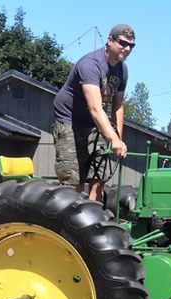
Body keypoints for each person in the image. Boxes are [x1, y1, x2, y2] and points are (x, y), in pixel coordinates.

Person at [53, 23, 135, 201]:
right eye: (122, 43)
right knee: (75, 179)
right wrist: (112, 139)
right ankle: (71, 220)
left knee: (100, 175)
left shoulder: (122, 70)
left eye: (131, 45)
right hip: (70, 119)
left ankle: (92, 219)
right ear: (110, 40)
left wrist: (118, 138)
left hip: (94, 122)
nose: (127, 48)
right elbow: (95, 108)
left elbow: (118, 106)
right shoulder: (90, 64)